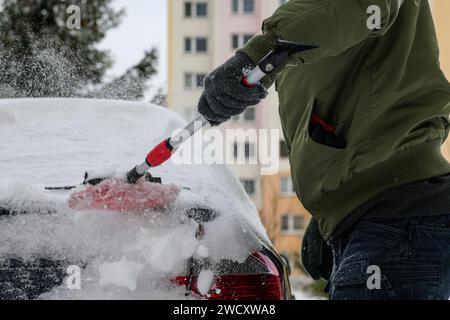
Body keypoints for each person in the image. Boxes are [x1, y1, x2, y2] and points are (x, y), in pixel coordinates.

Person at [198, 0, 450, 300]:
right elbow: (340, 103)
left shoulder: (320, 14)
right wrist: (331, 210)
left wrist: (259, 56)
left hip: (397, 220)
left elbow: (356, 7)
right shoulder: (312, 15)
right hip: (382, 217)